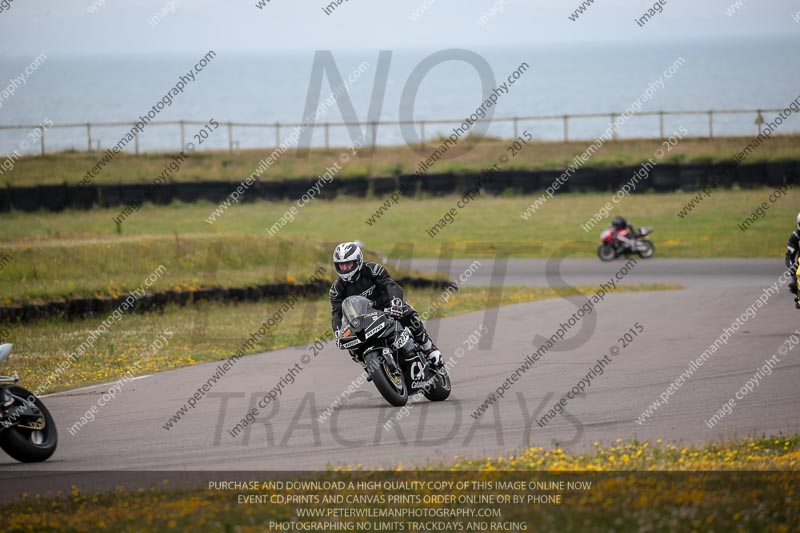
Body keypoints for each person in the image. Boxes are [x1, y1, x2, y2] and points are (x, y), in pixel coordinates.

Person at [329, 242, 442, 370]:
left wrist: (396, 304)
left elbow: (391, 285)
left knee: (408, 313)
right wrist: (338, 333)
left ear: (358, 261)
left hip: (387, 308)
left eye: (348, 264)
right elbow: (336, 313)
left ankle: (428, 347)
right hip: (363, 319)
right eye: (341, 265)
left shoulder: (373, 269)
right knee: (349, 342)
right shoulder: (336, 289)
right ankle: (367, 365)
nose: (345, 268)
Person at [784, 213, 800, 308]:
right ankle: (798, 295)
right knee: (793, 285)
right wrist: (792, 267)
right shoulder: (795, 237)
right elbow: (789, 256)